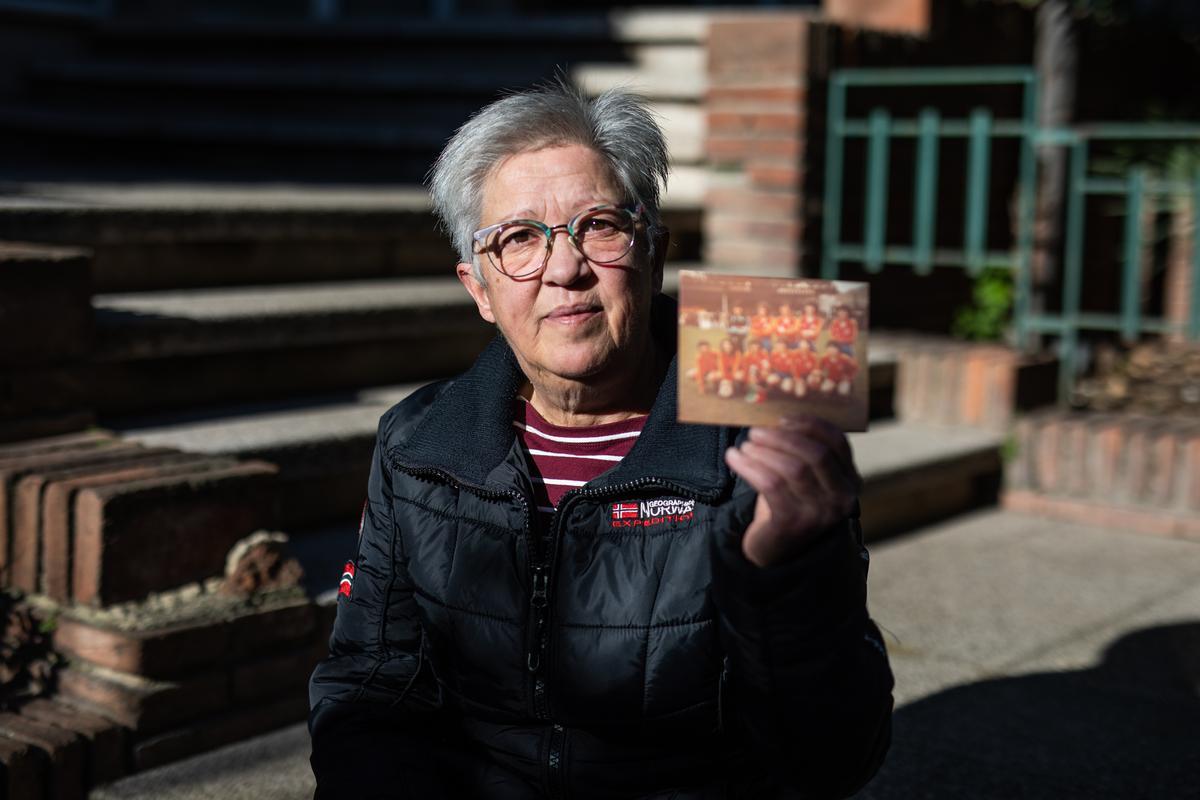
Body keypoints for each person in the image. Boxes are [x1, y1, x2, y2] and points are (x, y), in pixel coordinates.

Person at [308, 82, 893, 799]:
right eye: (518, 238)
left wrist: (790, 575)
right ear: (480, 289)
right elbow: (370, 687)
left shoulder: (764, 435)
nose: (565, 268)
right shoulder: (417, 444)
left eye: (600, 226)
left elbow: (835, 759)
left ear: (654, 251)